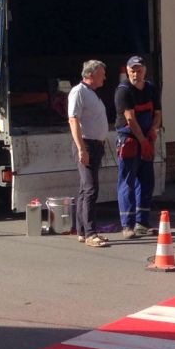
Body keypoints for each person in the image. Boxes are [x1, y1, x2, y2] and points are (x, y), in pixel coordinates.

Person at [114, 55, 162, 238]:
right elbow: (130, 119)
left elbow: (157, 114)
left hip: (146, 139)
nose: (136, 74)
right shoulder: (124, 91)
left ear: (144, 71)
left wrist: (153, 131)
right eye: (132, 70)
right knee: (127, 182)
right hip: (130, 140)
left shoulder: (151, 89)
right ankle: (127, 225)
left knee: (146, 181)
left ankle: (142, 223)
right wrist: (143, 141)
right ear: (127, 71)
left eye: (139, 70)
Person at [67, 59, 110, 247]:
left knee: (85, 189)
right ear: (91, 74)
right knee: (91, 189)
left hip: (95, 145)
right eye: (102, 74)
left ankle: (83, 231)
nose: (104, 78)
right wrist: (81, 148)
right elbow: (73, 120)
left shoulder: (91, 93)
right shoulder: (79, 92)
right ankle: (91, 234)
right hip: (87, 144)